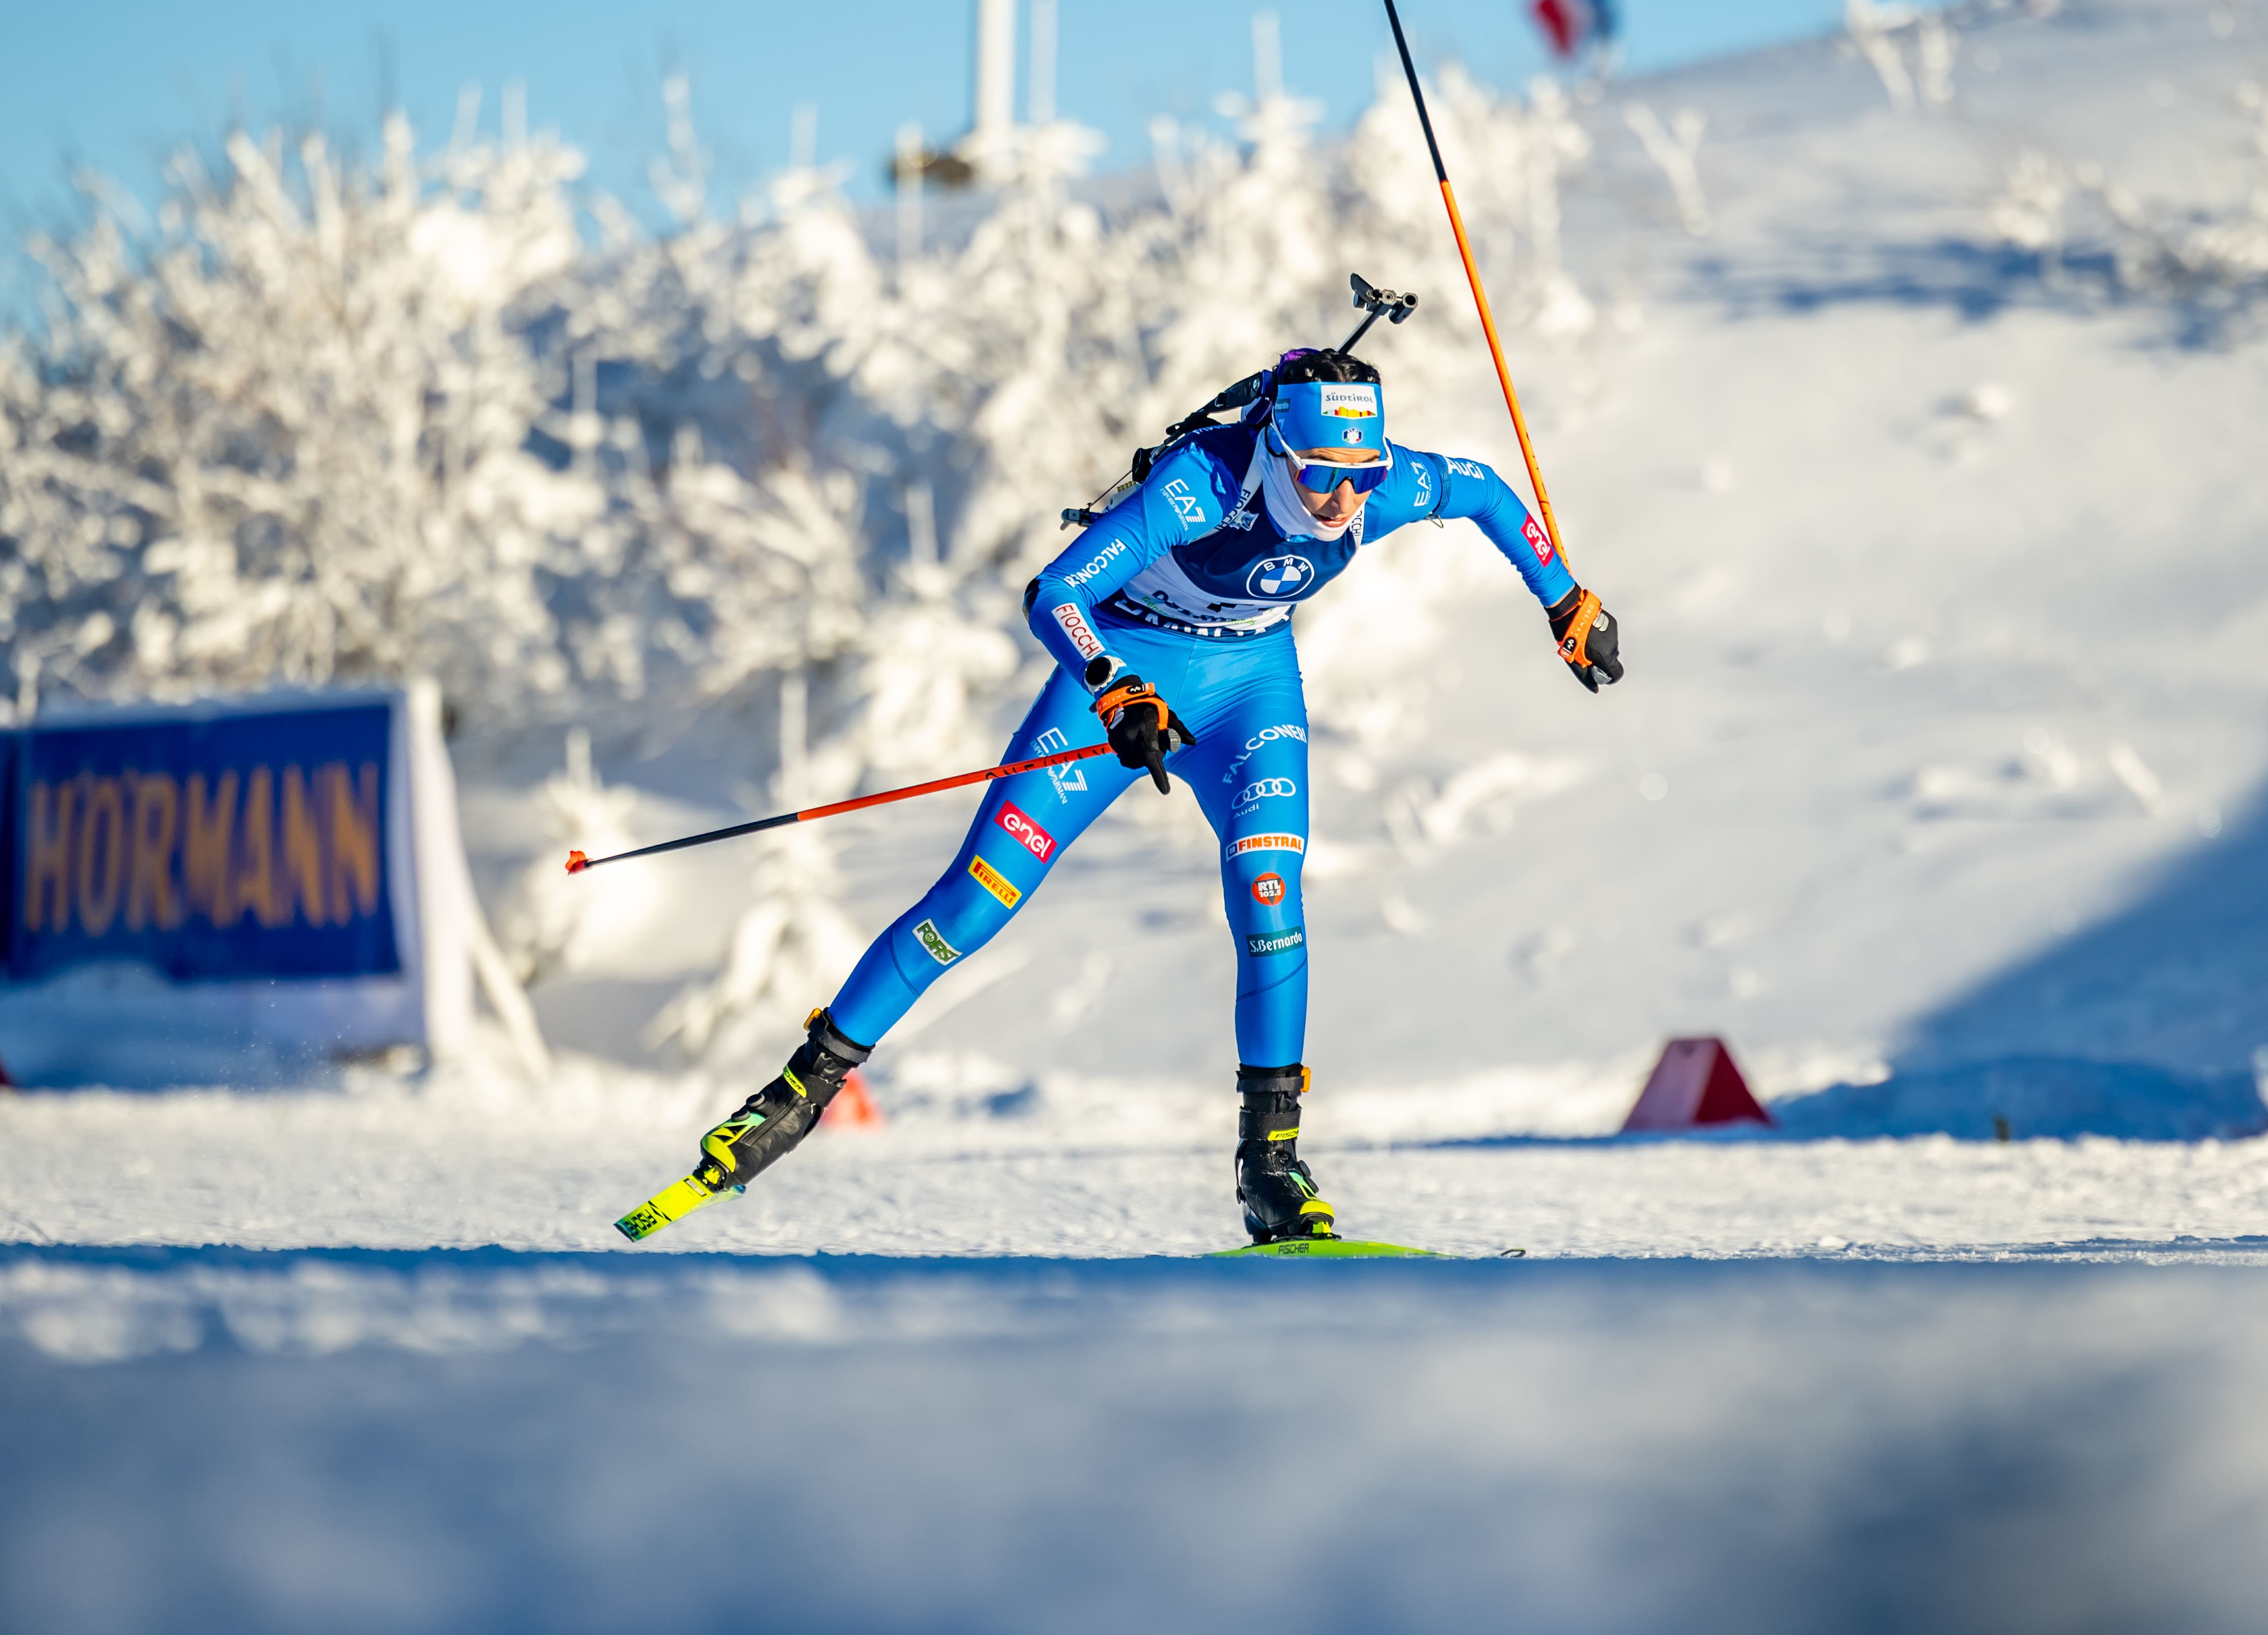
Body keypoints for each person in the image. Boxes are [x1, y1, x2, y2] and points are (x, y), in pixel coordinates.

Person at [668, 344, 1624, 1246]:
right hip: (1128, 676)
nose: (1345, 500)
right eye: (1320, 475)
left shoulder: (1382, 486)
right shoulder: (1200, 484)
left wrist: (1564, 601)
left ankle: (1271, 1167)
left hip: (1250, 688)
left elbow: (1484, 490)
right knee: (976, 901)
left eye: (1364, 474)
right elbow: (1055, 593)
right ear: (1277, 449)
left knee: (1269, 896)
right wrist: (1112, 683)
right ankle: (794, 1096)